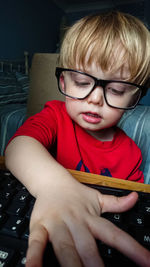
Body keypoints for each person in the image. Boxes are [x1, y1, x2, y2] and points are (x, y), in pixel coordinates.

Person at [5, 11, 150, 267]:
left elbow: (128, 209)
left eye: (116, 90)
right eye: (82, 82)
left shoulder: (131, 154)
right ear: (64, 81)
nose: (94, 98)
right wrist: (56, 187)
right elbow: (18, 146)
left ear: (134, 99)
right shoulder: (55, 116)